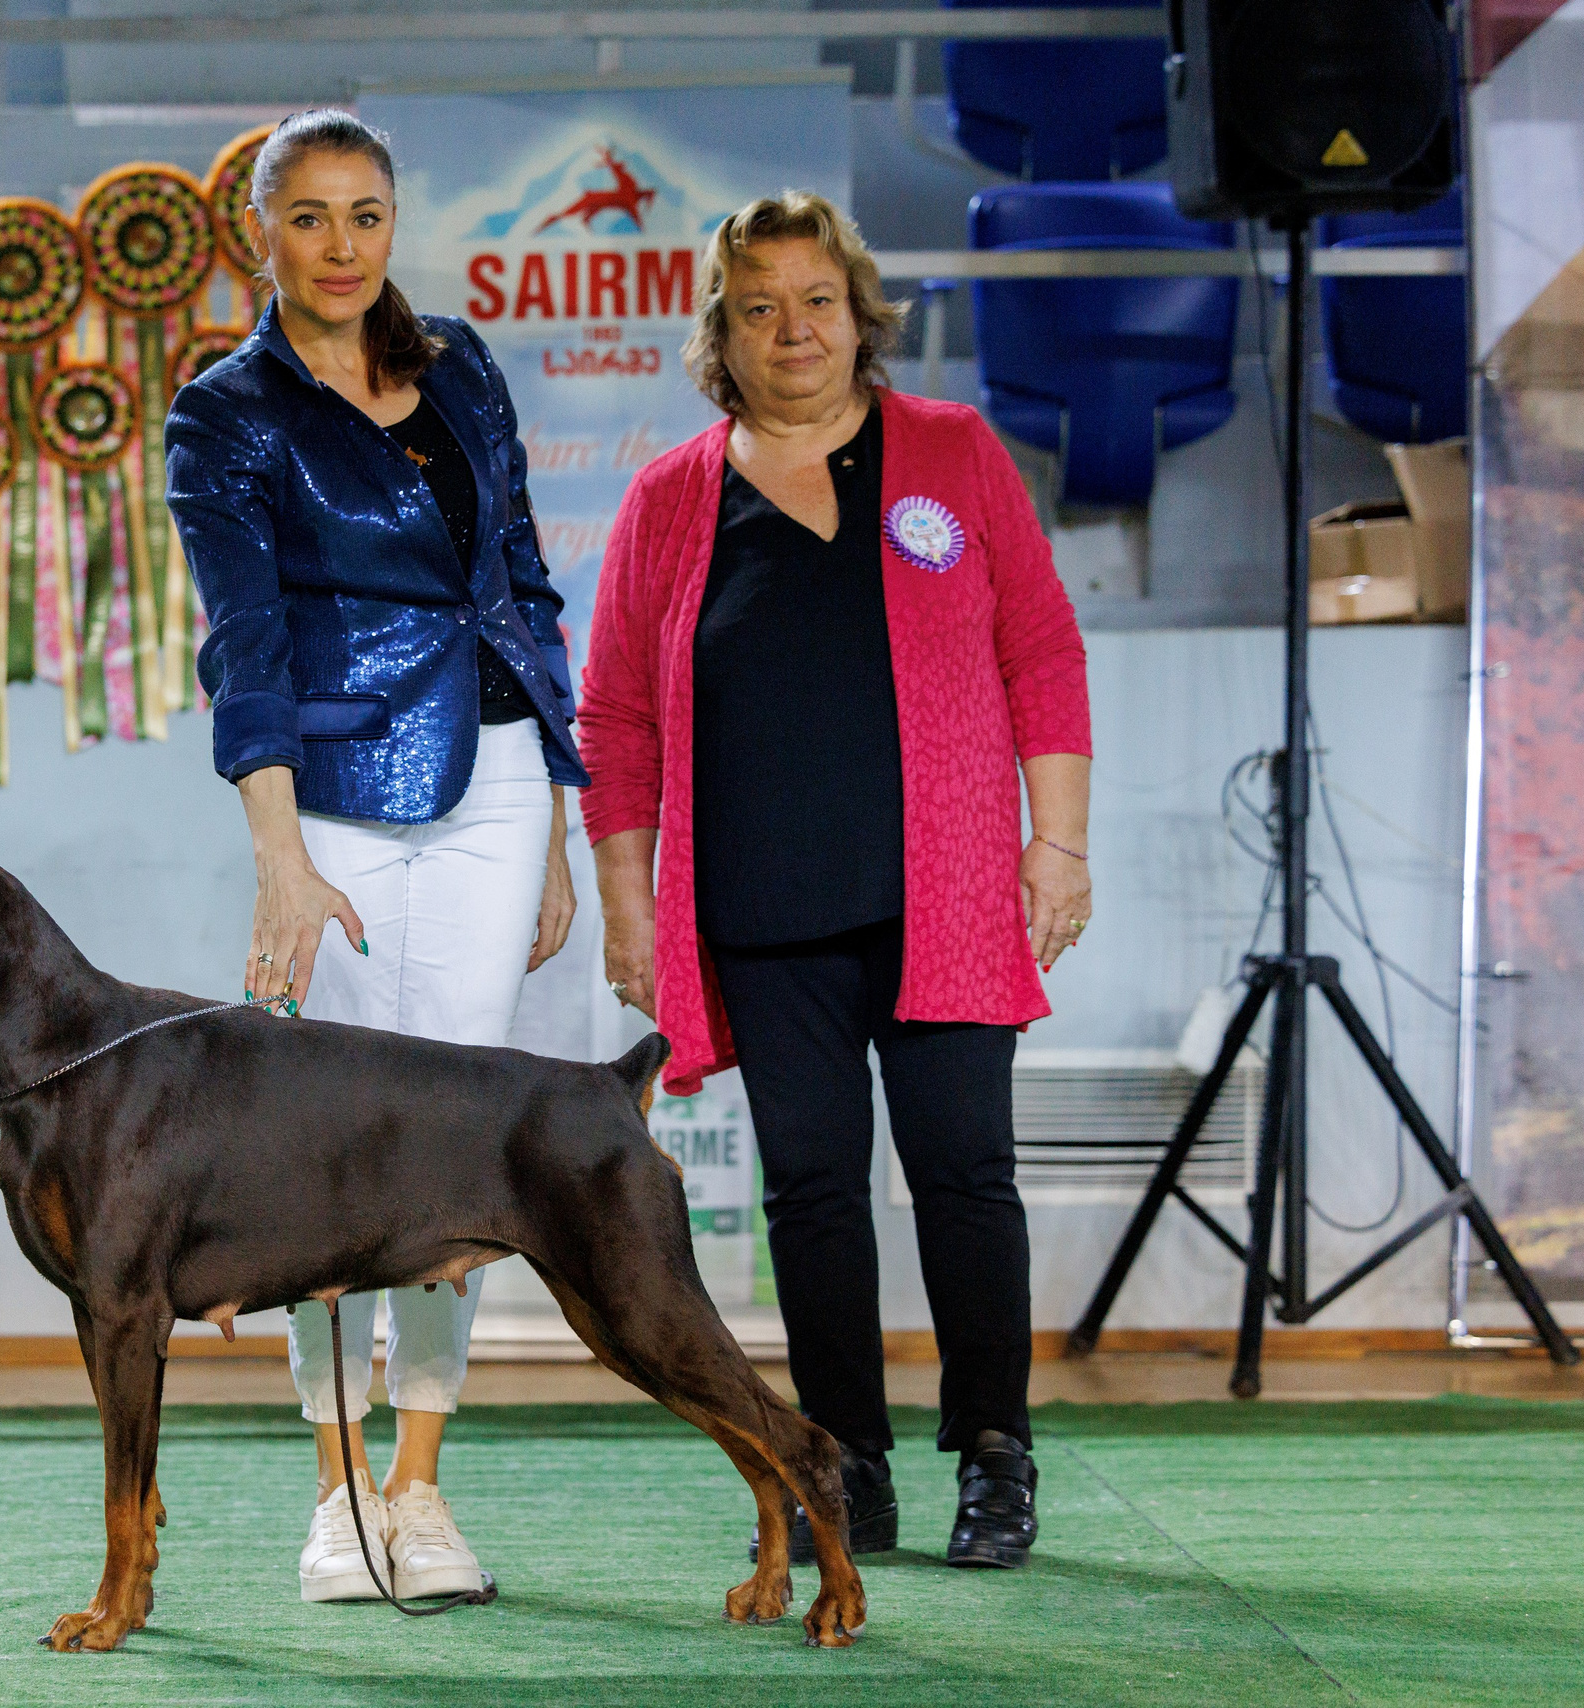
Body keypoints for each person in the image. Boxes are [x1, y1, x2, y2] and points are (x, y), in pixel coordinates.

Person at [576, 191, 1092, 1570]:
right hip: (760, 911)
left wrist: (1058, 840)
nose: (793, 329)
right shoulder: (669, 499)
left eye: (818, 300)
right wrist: (630, 904)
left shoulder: (954, 452)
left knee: (966, 1176)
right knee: (811, 1190)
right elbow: (616, 716)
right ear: (722, 334)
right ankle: (843, 1463)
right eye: (760, 306)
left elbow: (1042, 650)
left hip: (950, 893)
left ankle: (996, 1453)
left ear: (860, 315)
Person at [164, 109, 585, 1605]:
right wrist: (279, 856)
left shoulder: (463, 364)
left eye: (367, 215)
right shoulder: (223, 413)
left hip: (501, 781)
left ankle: (420, 1487)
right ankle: (336, 1494)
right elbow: (245, 640)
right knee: (331, 1142)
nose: (342, 248)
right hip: (331, 797)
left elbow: (524, 587)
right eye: (311, 218)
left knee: (461, 1144)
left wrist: (561, 828)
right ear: (260, 233)